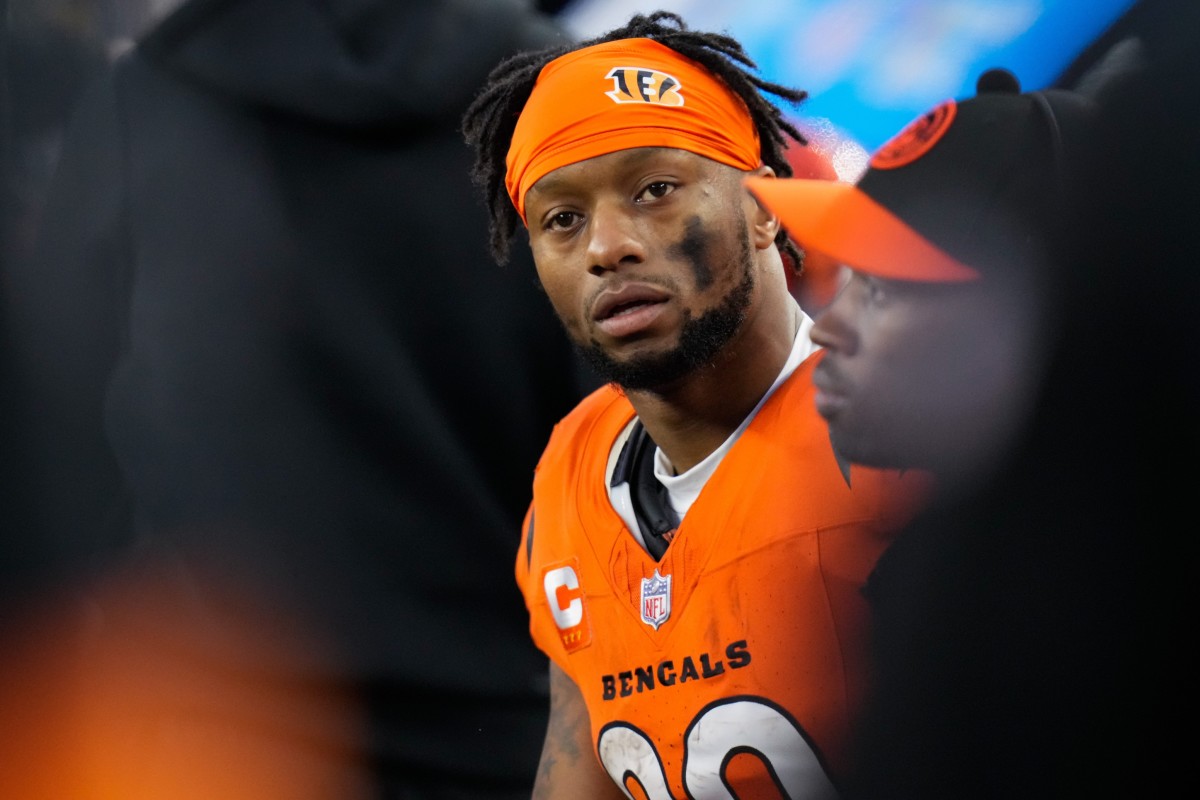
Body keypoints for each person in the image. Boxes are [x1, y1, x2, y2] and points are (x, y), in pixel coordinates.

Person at [2, 1, 599, 797]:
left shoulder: (145, 108)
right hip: (516, 736)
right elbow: (651, 432)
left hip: (229, 744)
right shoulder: (563, 98)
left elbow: (59, 474)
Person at [462, 11, 924, 799]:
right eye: (562, 219)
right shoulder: (572, 470)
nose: (608, 245)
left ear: (763, 206)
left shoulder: (900, 435)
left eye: (655, 189)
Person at [746, 39, 1193, 796]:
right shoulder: (917, 557)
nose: (825, 325)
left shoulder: (1074, 631)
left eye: (883, 291)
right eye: (844, 276)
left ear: (1037, 313)